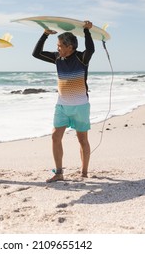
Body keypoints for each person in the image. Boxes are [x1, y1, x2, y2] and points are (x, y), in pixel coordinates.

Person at [32, 21, 95, 183]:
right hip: (62, 106)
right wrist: (44, 35)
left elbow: (91, 49)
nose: (58, 48)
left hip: (80, 106)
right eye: (58, 45)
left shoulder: (81, 58)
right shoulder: (57, 58)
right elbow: (36, 54)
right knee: (55, 136)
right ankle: (59, 172)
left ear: (70, 46)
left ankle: (84, 172)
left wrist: (87, 31)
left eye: (60, 45)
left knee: (82, 140)